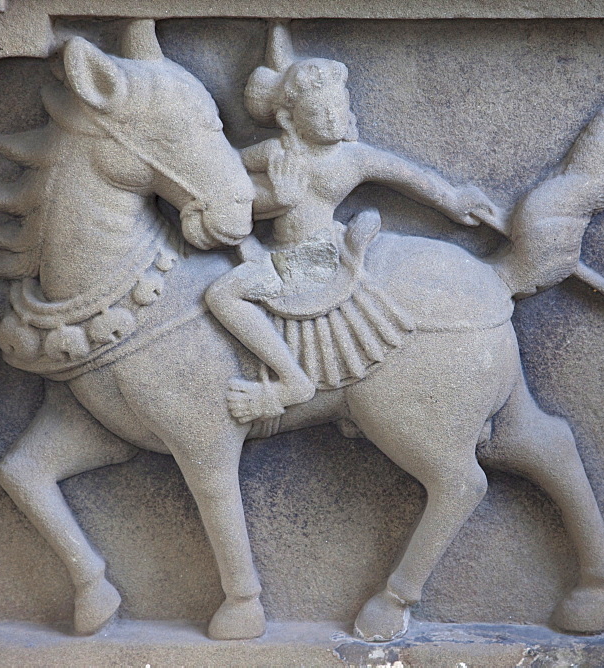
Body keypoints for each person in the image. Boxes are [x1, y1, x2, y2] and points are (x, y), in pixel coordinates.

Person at [204, 24, 500, 424]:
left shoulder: (352, 159)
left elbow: (408, 176)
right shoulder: (275, 152)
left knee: (224, 296)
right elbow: (227, 179)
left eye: (337, 107)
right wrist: (276, 200)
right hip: (274, 250)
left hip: (315, 256)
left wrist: (450, 199)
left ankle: (292, 382)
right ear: (290, 120)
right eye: (318, 112)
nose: (331, 118)